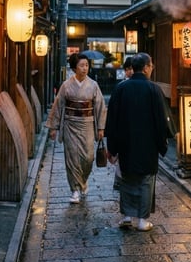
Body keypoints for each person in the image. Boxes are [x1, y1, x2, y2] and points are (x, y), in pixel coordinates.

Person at [105, 52, 168, 231]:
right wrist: (162, 144)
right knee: (146, 179)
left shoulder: (121, 88)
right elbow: (161, 121)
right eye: (151, 65)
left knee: (127, 177)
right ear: (146, 67)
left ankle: (126, 216)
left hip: (126, 142)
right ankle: (142, 220)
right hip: (148, 144)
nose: (152, 68)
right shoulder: (153, 89)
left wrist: (112, 147)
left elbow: (112, 119)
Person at [47, 52, 106, 204]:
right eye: (81, 65)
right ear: (74, 68)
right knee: (72, 158)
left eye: (86, 65)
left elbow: (100, 106)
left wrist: (101, 128)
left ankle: (83, 182)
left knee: (88, 158)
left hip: (87, 123)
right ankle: (75, 190)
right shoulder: (66, 85)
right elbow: (58, 105)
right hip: (70, 124)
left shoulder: (93, 85)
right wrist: (53, 127)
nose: (85, 68)